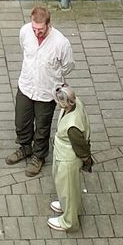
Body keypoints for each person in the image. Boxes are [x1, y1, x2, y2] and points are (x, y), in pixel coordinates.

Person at [6, 3, 74, 176]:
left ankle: (39, 155)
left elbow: (67, 66)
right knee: (21, 121)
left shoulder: (61, 43)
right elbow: (25, 49)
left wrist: (52, 75)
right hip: (26, 85)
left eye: (40, 30)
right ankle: (25, 147)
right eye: (34, 28)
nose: (37, 32)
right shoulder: (25, 31)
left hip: (47, 91)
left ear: (49, 24)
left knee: (42, 127)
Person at [47, 86, 94, 234]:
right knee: (66, 188)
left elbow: (80, 147)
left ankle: (69, 221)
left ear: (66, 103)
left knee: (68, 189)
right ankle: (67, 206)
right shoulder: (76, 103)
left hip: (67, 159)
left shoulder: (72, 126)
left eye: (59, 102)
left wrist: (87, 161)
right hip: (63, 155)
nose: (57, 105)